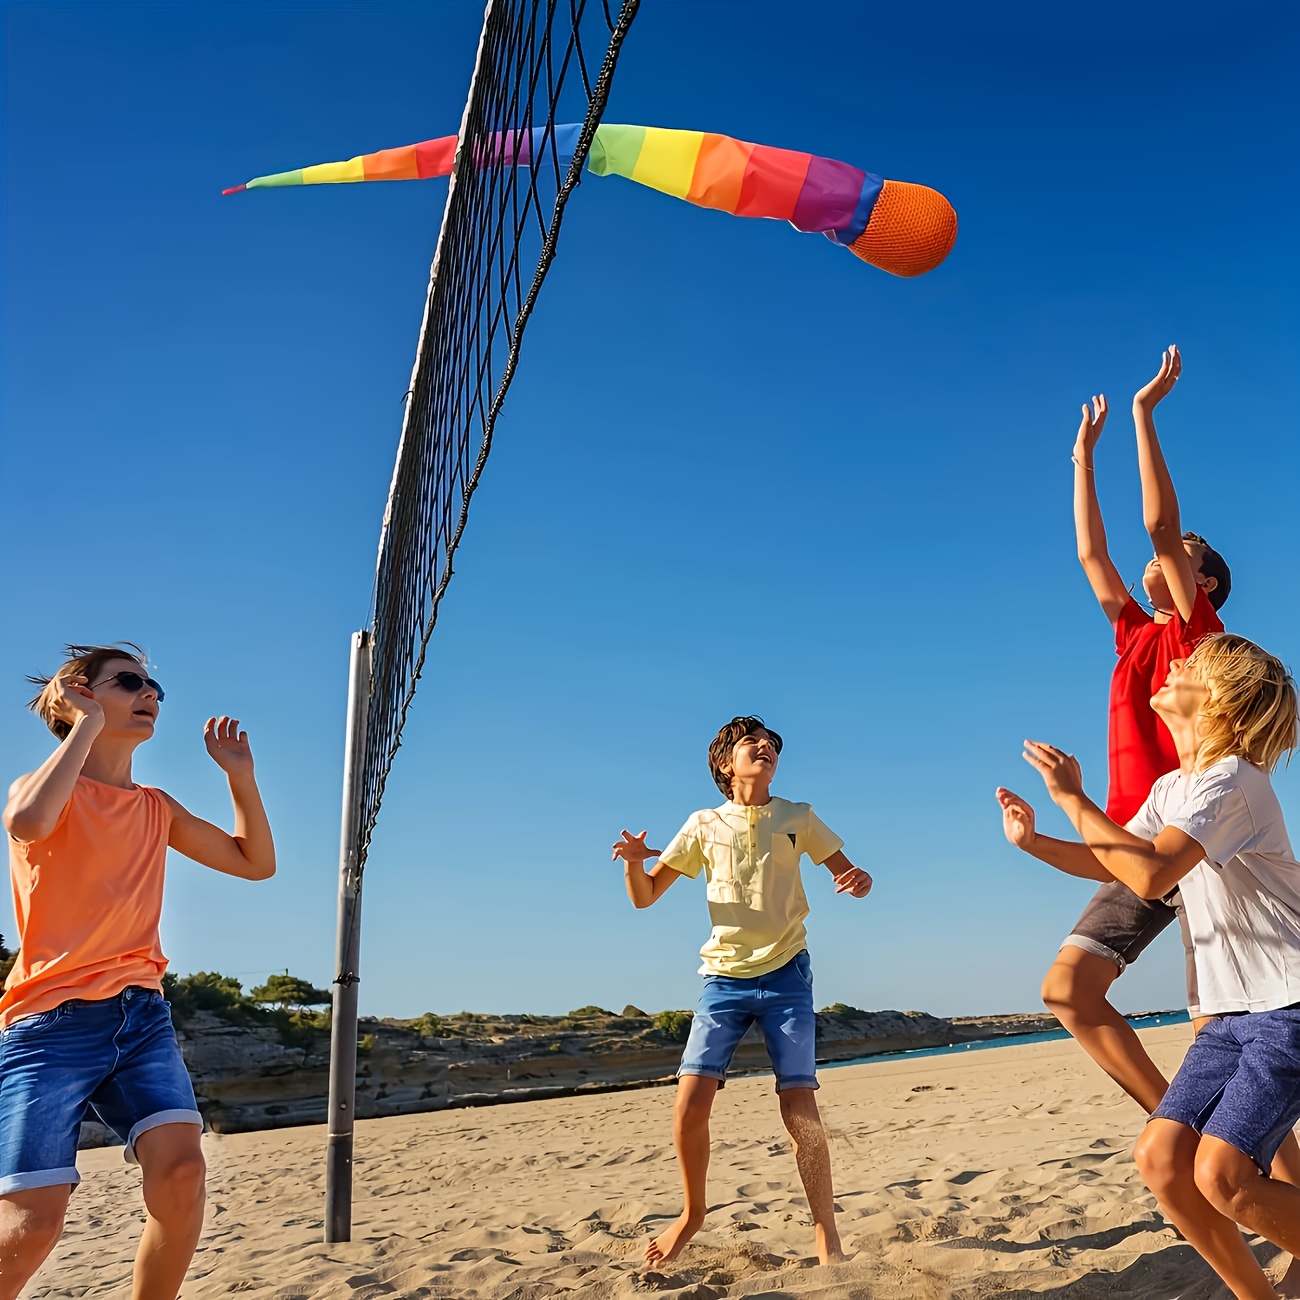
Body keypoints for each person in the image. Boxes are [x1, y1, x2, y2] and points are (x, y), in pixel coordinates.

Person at [998, 633, 1300, 1299]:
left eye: (1190, 665)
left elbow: (1156, 868)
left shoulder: (1234, 783)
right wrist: (1035, 841)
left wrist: (1074, 799)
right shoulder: (1176, 787)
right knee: (1163, 1161)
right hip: (1229, 1017)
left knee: (1222, 1176)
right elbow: (1124, 867)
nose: (1174, 667)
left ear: (1219, 701)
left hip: (1286, 1006)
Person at [0, 644, 276, 1300]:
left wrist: (240, 776)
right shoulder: (41, 790)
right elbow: (28, 820)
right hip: (48, 1026)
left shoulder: (157, 807)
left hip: (141, 1015)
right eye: (129, 681)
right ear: (79, 692)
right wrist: (87, 726)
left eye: (154, 684)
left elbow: (254, 863)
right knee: (32, 1225)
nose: (149, 692)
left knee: (181, 1175)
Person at [1043, 345, 1234, 1115]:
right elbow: (1093, 553)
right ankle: (1175, 1122)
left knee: (1216, 1025)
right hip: (1135, 841)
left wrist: (1141, 415)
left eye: (1185, 559)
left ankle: (1268, 1179)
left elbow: (1160, 525)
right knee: (1069, 989)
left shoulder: (1199, 631)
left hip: (1193, 838)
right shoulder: (1133, 633)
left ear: (1205, 582)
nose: (1164, 560)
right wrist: (1082, 460)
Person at [612, 715, 872, 1270]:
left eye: (771, 743)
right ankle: (692, 1214)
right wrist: (635, 865)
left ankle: (826, 1231)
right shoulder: (703, 824)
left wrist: (857, 880)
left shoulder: (798, 816)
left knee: (799, 1105)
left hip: (787, 976)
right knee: (688, 1104)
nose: (764, 747)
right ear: (725, 764)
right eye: (750, 742)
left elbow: (848, 871)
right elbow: (645, 896)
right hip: (722, 980)